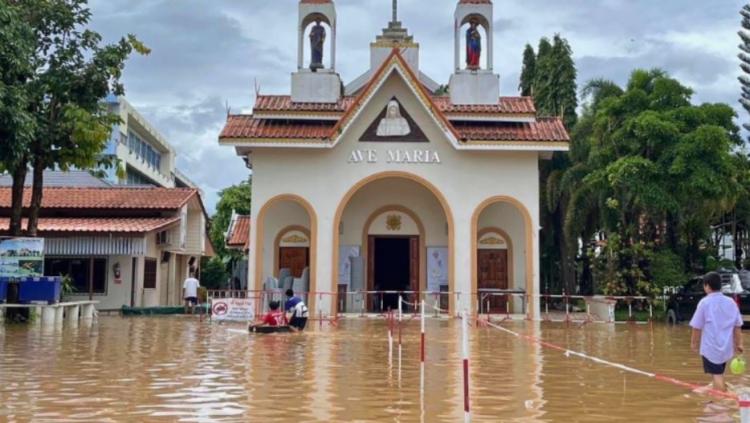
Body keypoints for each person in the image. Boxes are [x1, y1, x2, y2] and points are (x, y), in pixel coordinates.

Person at [690, 272, 744, 392]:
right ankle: (717, 397)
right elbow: (737, 326)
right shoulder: (731, 302)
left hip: (711, 348)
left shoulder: (704, 303)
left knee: (717, 375)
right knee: (718, 373)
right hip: (726, 348)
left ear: (707, 286)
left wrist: (694, 344)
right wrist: (739, 343)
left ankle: (721, 403)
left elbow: (696, 327)